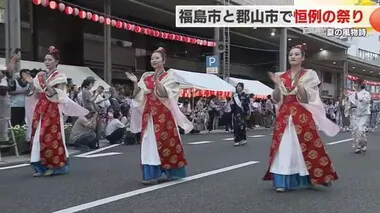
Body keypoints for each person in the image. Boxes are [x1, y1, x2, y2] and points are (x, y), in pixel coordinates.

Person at [263, 44, 340, 192]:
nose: (293, 56)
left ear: (302, 58)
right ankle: (282, 181)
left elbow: (305, 99)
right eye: (291, 54)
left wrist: (300, 87)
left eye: (297, 54)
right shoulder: (281, 76)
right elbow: (276, 99)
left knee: (306, 146)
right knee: (283, 147)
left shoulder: (309, 75)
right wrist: (278, 86)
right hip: (284, 116)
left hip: (302, 115)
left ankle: (311, 177)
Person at [126, 47, 193, 185]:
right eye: (152, 58)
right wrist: (135, 82)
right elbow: (138, 97)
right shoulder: (146, 76)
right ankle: (150, 174)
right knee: (149, 143)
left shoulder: (170, 76)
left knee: (168, 142)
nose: (154, 60)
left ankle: (172, 172)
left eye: (157, 58)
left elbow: (166, 95)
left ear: (163, 60)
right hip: (149, 115)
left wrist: (157, 82)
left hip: (164, 116)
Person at [25, 46, 89, 177]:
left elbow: (58, 95)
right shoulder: (40, 76)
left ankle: (55, 166)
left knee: (51, 136)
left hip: (53, 108)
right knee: (37, 136)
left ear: (56, 61)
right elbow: (37, 94)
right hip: (41, 107)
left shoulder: (60, 76)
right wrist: (32, 83)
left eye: (50, 59)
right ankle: (40, 167)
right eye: (45, 59)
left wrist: (45, 85)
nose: (47, 62)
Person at [0, 54, 19, 145]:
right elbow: (7, 70)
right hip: (1, 94)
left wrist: (12, 61)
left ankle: (4, 137)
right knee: (3, 117)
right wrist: (12, 61)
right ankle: (3, 138)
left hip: (4, 93)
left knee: (5, 117)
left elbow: (8, 71)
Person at [348, 81, 371, 154]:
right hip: (355, 114)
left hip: (363, 114)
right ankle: (359, 146)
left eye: (361, 84)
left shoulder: (366, 93)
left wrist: (359, 99)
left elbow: (367, 101)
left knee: (360, 129)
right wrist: (350, 106)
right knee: (355, 130)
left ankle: (362, 145)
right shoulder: (352, 94)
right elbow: (349, 103)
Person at [231, 82, 250, 146]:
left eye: (240, 86)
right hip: (236, 113)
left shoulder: (246, 95)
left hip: (243, 114)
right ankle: (236, 140)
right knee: (236, 127)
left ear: (242, 87)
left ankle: (243, 139)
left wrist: (247, 113)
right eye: (237, 86)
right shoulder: (234, 96)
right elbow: (232, 104)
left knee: (242, 127)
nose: (238, 87)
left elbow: (247, 105)